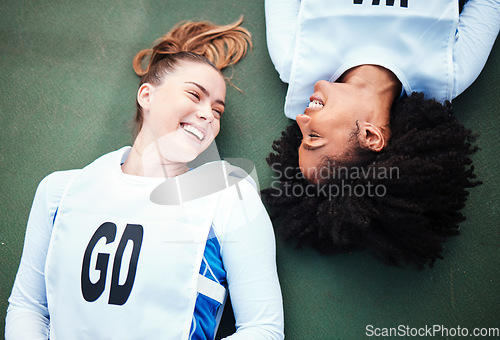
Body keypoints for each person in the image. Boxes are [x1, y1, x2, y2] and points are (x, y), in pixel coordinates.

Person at [6, 17, 284, 339]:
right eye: (195, 95)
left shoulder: (227, 200)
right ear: (146, 96)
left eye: (217, 110)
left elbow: (263, 329)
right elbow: (28, 307)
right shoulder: (60, 192)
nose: (208, 114)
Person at [263, 0, 500, 268]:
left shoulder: (292, 58)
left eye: (301, 135)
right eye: (313, 137)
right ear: (370, 136)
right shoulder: (450, 73)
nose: (301, 120)